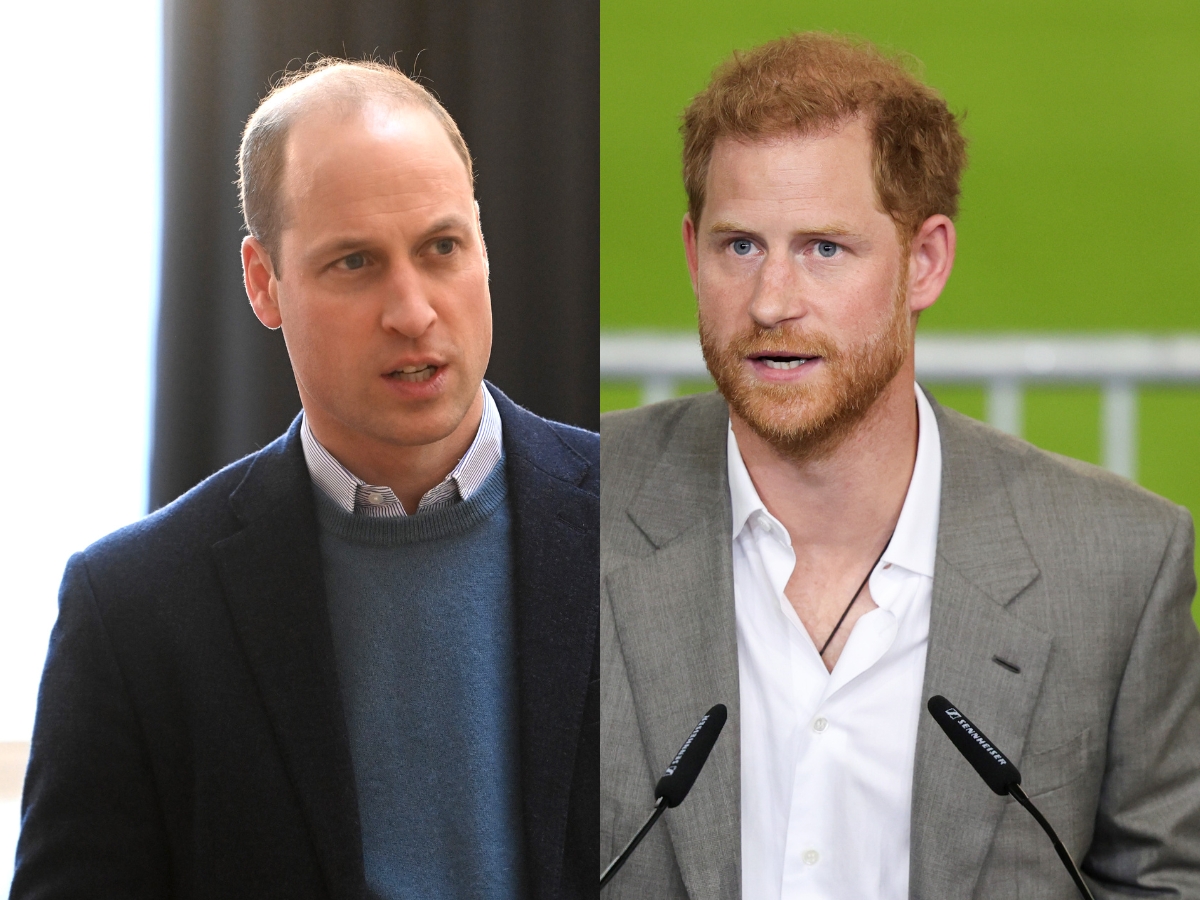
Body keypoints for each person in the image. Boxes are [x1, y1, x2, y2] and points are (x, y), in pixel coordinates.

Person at [599, 33, 1200, 899]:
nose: (771, 301)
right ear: (692, 250)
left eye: (823, 248)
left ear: (925, 262)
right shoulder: (576, 506)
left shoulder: (1117, 566)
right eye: (739, 246)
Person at [13, 59, 597, 900]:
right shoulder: (133, 610)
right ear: (263, 282)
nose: (413, 310)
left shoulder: (650, 528)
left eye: (442, 248)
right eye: (355, 263)